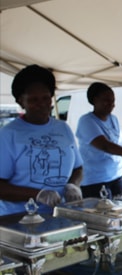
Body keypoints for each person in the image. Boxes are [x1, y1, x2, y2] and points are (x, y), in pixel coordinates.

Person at [0, 64, 84, 216]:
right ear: (20, 102)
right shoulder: (9, 134)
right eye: (33, 99)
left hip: (59, 214)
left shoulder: (63, 128)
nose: (42, 104)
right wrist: (37, 194)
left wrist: (73, 185)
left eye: (46, 98)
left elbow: (78, 168)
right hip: (19, 218)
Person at [75, 82, 122, 198]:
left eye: (113, 101)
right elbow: (105, 146)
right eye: (106, 100)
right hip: (95, 181)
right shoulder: (87, 121)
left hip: (116, 177)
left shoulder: (113, 119)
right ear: (94, 100)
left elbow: (118, 144)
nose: (111, 104)